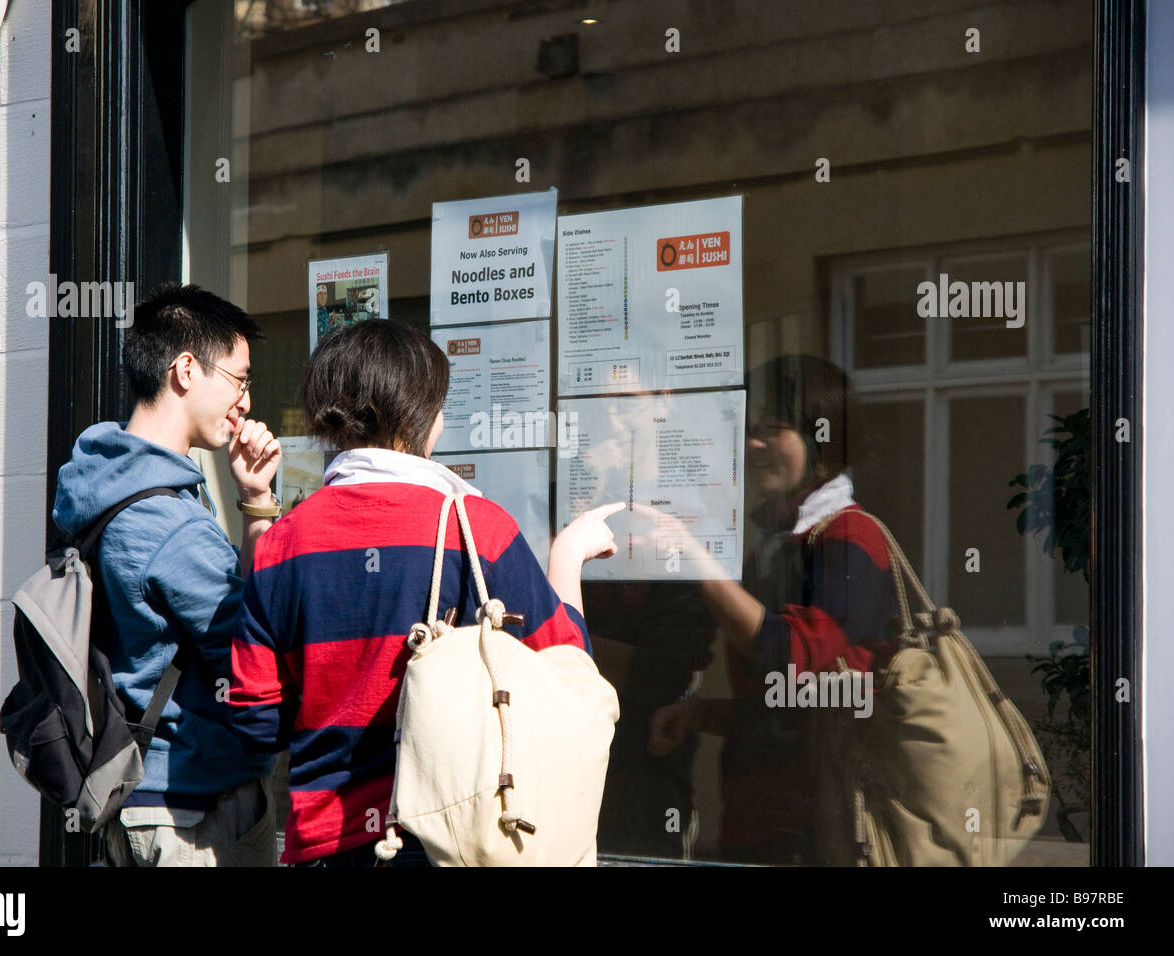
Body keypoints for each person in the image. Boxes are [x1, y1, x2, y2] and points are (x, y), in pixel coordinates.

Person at [227, 320, 623, 866]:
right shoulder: (477, 529)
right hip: (455, 841)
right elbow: (570, 671)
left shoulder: (283, 545)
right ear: (425, 420)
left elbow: (254, 726)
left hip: (327, 849)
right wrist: (568, 556)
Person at [51, 283, 284, 866]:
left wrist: (253, 498)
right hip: (192, 811)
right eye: (240, 379)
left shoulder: (108, 480)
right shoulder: (167, 521)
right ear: (186, 369)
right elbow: (253, 641)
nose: (246, 401)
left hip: (144, 795)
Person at [645, 354, 900, 864]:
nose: (753, 445)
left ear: (821, 438)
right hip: (763, 824)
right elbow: (788, 703)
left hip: (817, 830)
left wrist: (692, 554)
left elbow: (793, 658)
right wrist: (703, 714)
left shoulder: (850, 536)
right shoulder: (782, 542)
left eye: (773, 429)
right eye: (748, 429)